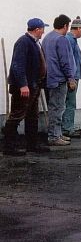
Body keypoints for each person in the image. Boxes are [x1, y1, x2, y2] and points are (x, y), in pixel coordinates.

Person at [3, 18, 51, 155]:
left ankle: (32, 145)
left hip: (33, 86)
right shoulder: (23, 42)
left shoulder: (34, 42)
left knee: (32, 116)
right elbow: (18, 65)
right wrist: (23, 85)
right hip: (24, 88)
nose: (43, 31)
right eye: (42, 29)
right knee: (17, 115)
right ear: (37, 30)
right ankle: (8, 147)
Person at [42, 14, 76, 146]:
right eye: (68, 26)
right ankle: (54, 136)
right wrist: (71, 78)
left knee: (54, 107)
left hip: (48, 78)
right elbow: (65, 61)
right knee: (57, 108)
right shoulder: (61, 39)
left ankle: (57, 134)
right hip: (59, 79)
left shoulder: (47, 38)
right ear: (65, 26)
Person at [62, 17, 81, 138]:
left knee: (69, 102)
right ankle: (67, 129)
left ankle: (66, 127)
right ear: (79, 28)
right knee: (70, 103)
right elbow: (67, 60)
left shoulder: (72, 40)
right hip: (71, 77)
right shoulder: (69, 40)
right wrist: (71, 78)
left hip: (73, 76)